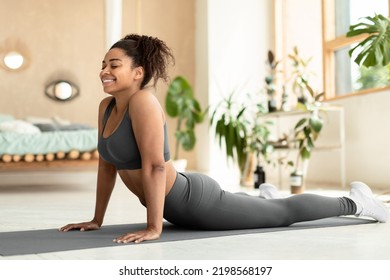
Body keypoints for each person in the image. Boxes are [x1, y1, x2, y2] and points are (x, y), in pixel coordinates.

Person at [59, 34, 389, 244]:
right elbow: (107, 166)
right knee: (266, 208)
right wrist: (96, 220)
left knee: (283, 216)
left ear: (138, 72)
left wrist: (154, 228)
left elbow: (156, 166)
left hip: (195, 204)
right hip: (180, 204)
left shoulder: (143, 101)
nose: (104, 70)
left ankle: (357, 202)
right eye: (103, 64)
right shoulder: (106, 107)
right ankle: (264, 201)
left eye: (114, 65)